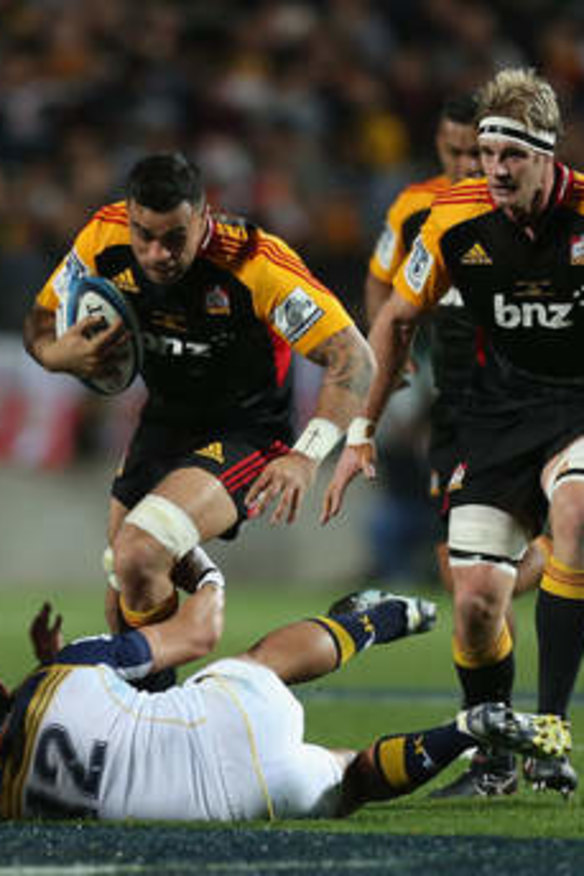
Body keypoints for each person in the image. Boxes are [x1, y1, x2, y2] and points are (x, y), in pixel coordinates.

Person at [323, 67, 584, 797]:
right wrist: (360, 434)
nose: (495, 170)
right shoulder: (446, 219)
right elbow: (396, 318)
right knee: (472, 600)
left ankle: (551, 735)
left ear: (549, 154)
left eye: (513, 157)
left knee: (576, 509)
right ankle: (494, 753)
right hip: (495, 415)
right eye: (487, 154)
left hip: (578, 407)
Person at [23, 152, 375, 643]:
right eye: (144, 236)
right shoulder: (102, 238)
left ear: (204, 217)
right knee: (130, 591)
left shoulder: (255, 264)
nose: (157, 254)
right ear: (129, 219)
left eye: (174, 238)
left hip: (248, 433)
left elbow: (355, 360)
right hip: (164, 422)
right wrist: (57, 356)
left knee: (138, 552)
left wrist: (306, 456)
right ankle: (155, 713)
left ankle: (207, 593)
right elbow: (40, 320)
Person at [0, 591, 568, 821]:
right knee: (263, 660)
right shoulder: (65, 669)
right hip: (219, 721)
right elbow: (179, 650)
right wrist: (201, 570)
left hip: (233, 801)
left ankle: (466, 731)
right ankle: (382, 618)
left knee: (354, 777)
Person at [365, 92, 549, 599]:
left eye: (479, 153)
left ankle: (560, 551)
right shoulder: (414, 210)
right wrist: (391, 358)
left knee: (484, 577)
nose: (470, 165)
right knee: (460, 576)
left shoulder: (529, 204)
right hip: (454, 398)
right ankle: (554, 559)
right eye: (456, 152)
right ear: (439, 146)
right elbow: (381, 283)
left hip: (528, 397)